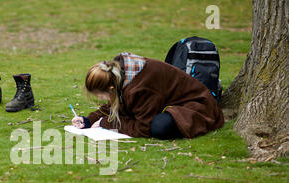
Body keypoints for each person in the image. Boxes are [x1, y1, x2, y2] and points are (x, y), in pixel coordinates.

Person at [72, 52, 224, 139]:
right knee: (149, 119)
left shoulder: (139, 88)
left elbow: (143, 129)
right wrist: (88, 120)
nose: (100, 99)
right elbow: (115, 104)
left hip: (196, 106)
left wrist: (106, 123)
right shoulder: (120, 76)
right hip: (170, 104)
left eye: (100, 95)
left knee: (159, 127)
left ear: (111, 87)